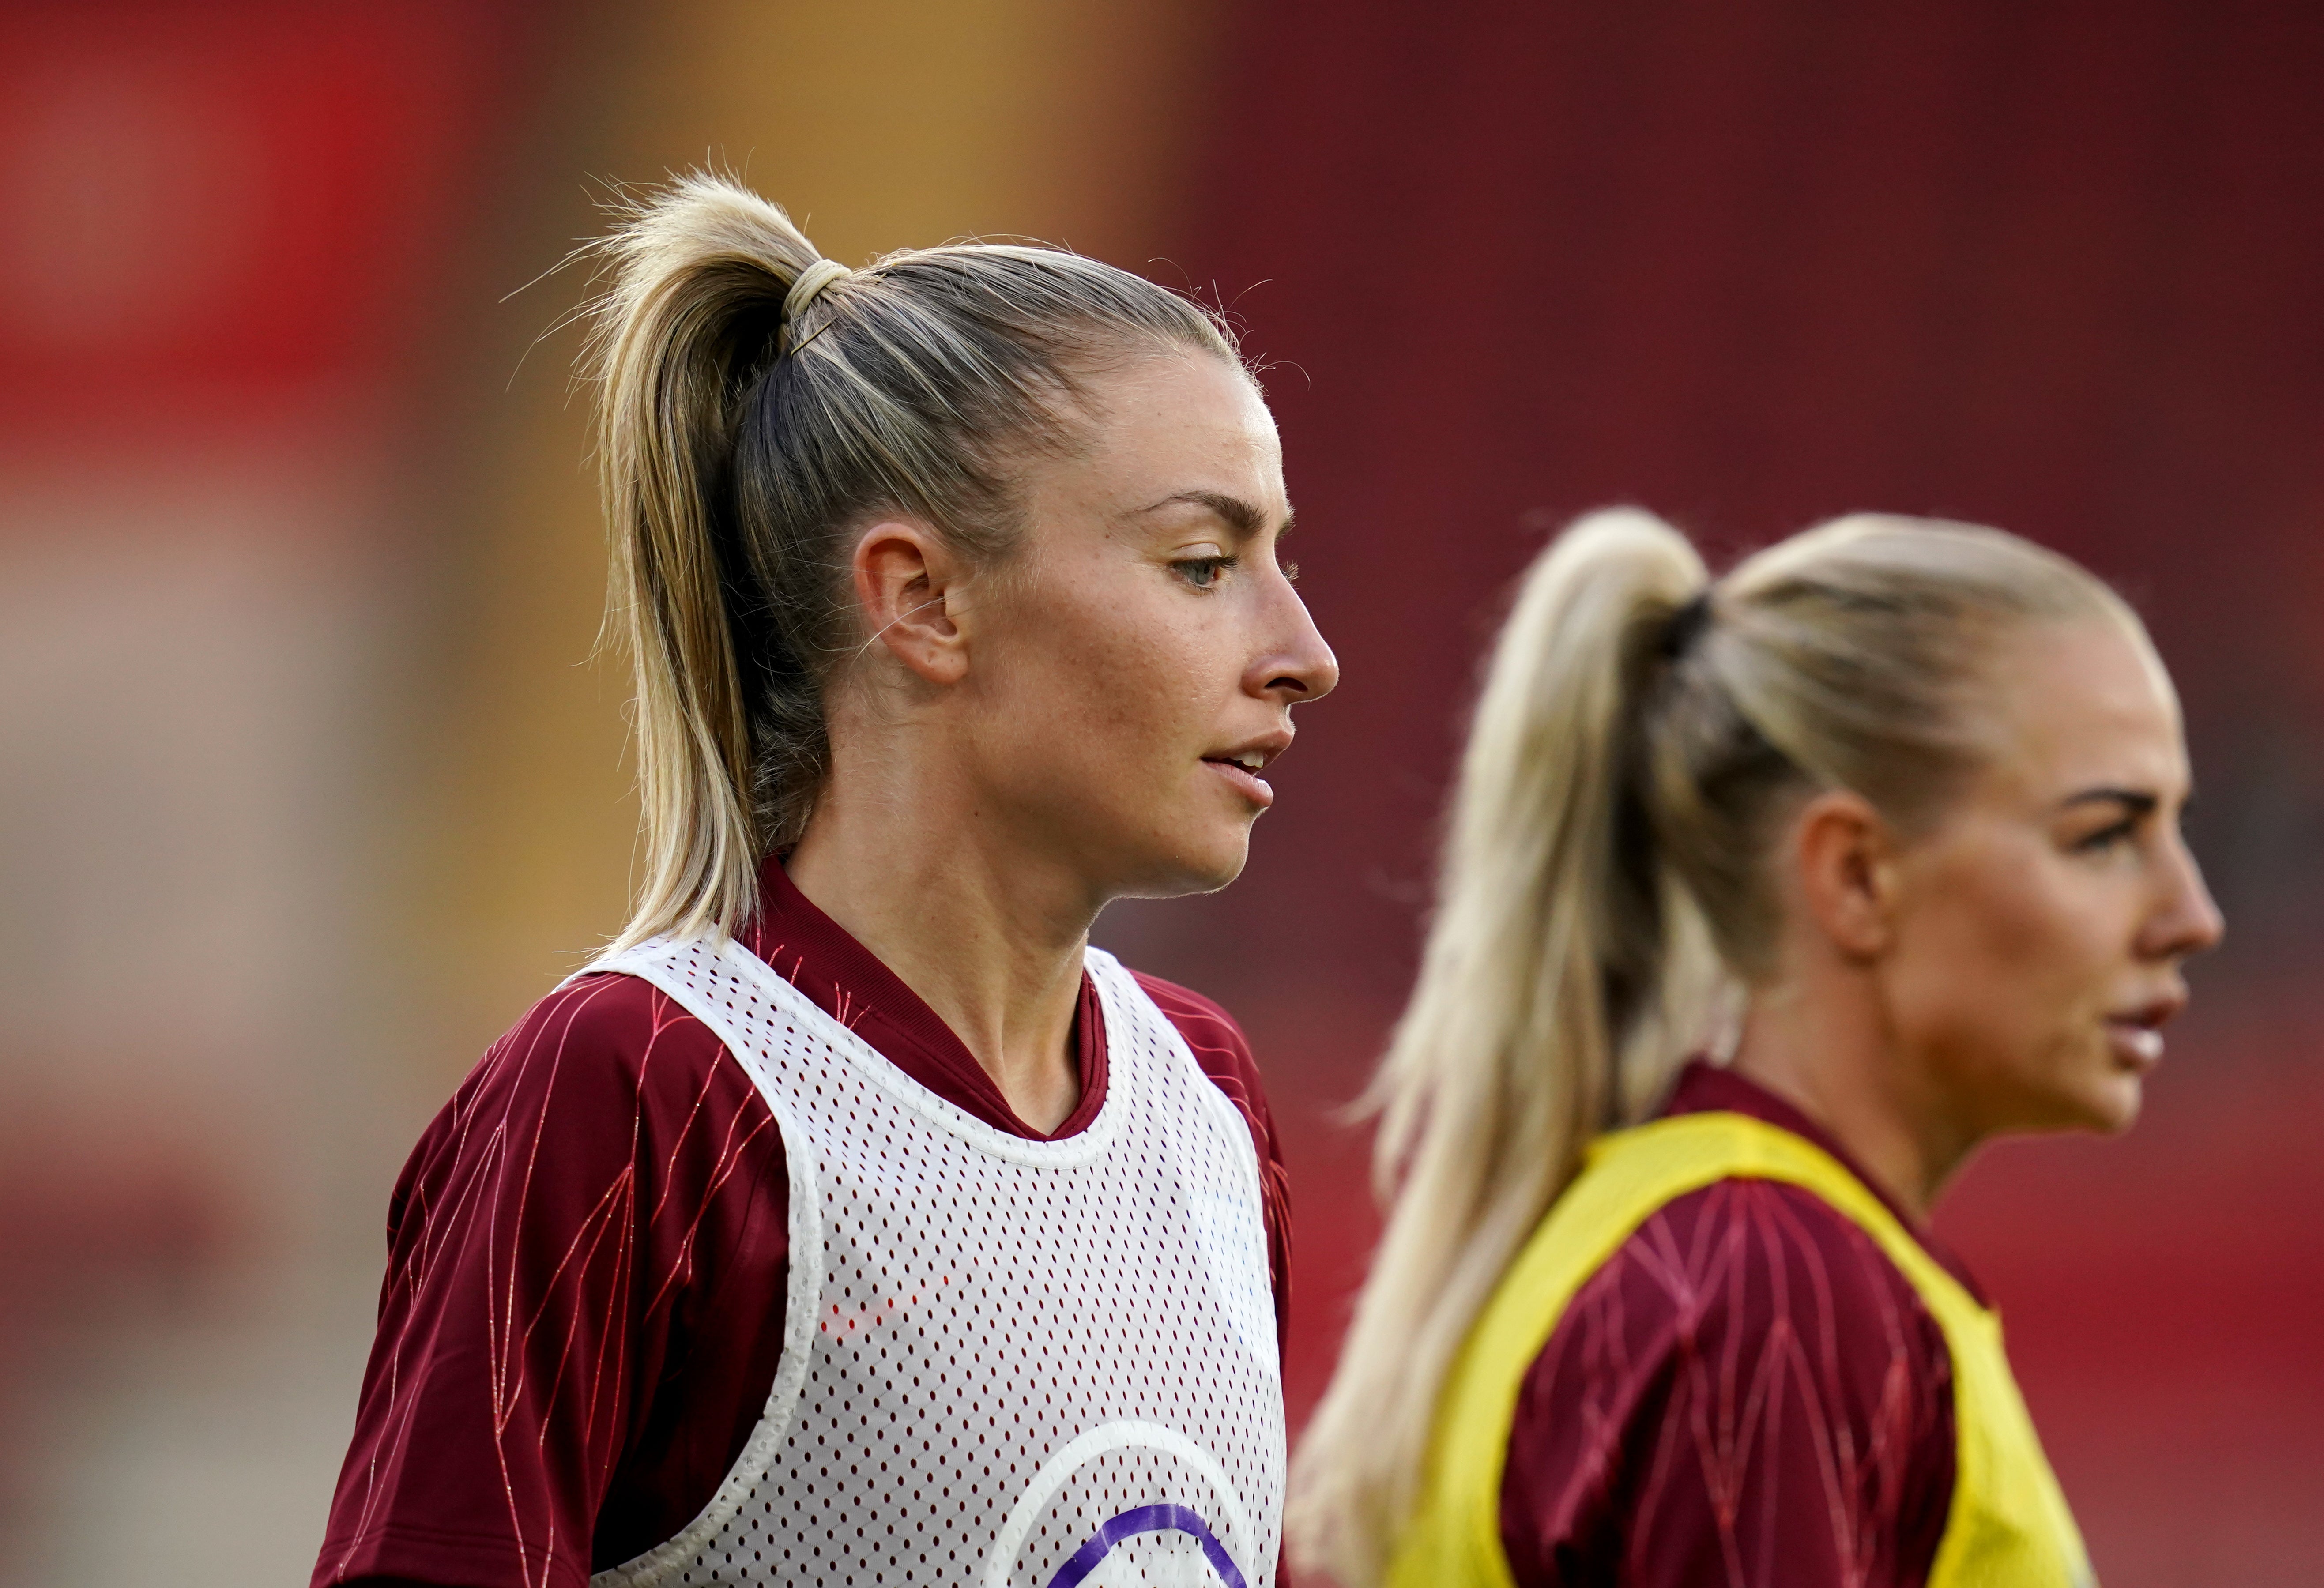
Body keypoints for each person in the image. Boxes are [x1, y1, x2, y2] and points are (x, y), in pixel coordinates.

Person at [314, 173, 1334, 1588]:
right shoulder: (637, 1090)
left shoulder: (1209, 1097)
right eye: (1204, 560)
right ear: (920, 598)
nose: (1302, 648)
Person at [1289, 509, 2222, 1588]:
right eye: (2105, 834)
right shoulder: (1771, 1290)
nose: (2190, 913)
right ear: (1857, 876)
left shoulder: (1668, 1229)